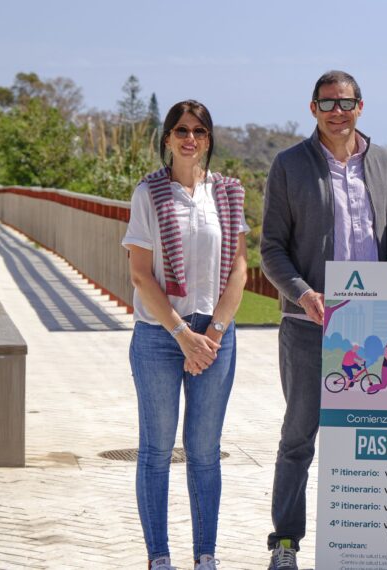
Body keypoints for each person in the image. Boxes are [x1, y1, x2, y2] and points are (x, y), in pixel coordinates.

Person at [259, 70, 387, 570]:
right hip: (307, 327)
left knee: (373, 435)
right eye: (327, 103)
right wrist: (301, 295)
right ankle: (285, 543)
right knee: (299, 436)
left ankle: (372, 543)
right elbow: (270, 249)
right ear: (312, 107)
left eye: (345, 102)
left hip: (375, 331)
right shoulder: (289, 165)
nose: (337, 111)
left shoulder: (384, 163)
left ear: (361, 106)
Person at [121, 100, 248, 570]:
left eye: (197, 130)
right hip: (160, 334)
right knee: (156, 450)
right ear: (168, 139)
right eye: (180, 130)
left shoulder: (229, 193)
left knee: (204, 453)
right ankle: (159, 557)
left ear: (208, 138)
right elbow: (139, 274)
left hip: (215, 335)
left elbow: (238, 268)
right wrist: (182, 336)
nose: (189, 137)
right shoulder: (148, 194)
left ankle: (206, 557)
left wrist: (211, 332)